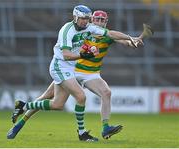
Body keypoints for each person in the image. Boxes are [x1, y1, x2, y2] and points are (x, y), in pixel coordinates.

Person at [7, 5, 142, 141]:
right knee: (55, 96)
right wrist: (85, 55)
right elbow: (66, 55)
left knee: (59, 104)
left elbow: (113, 34)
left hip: (84, 72)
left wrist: (131, 38)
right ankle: (21, 122)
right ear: (76, 17)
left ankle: (23, 106)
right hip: (64, 67)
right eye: (91, 19)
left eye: (89, 19)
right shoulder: (68, 31)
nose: (89, 21)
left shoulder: (93, 29)